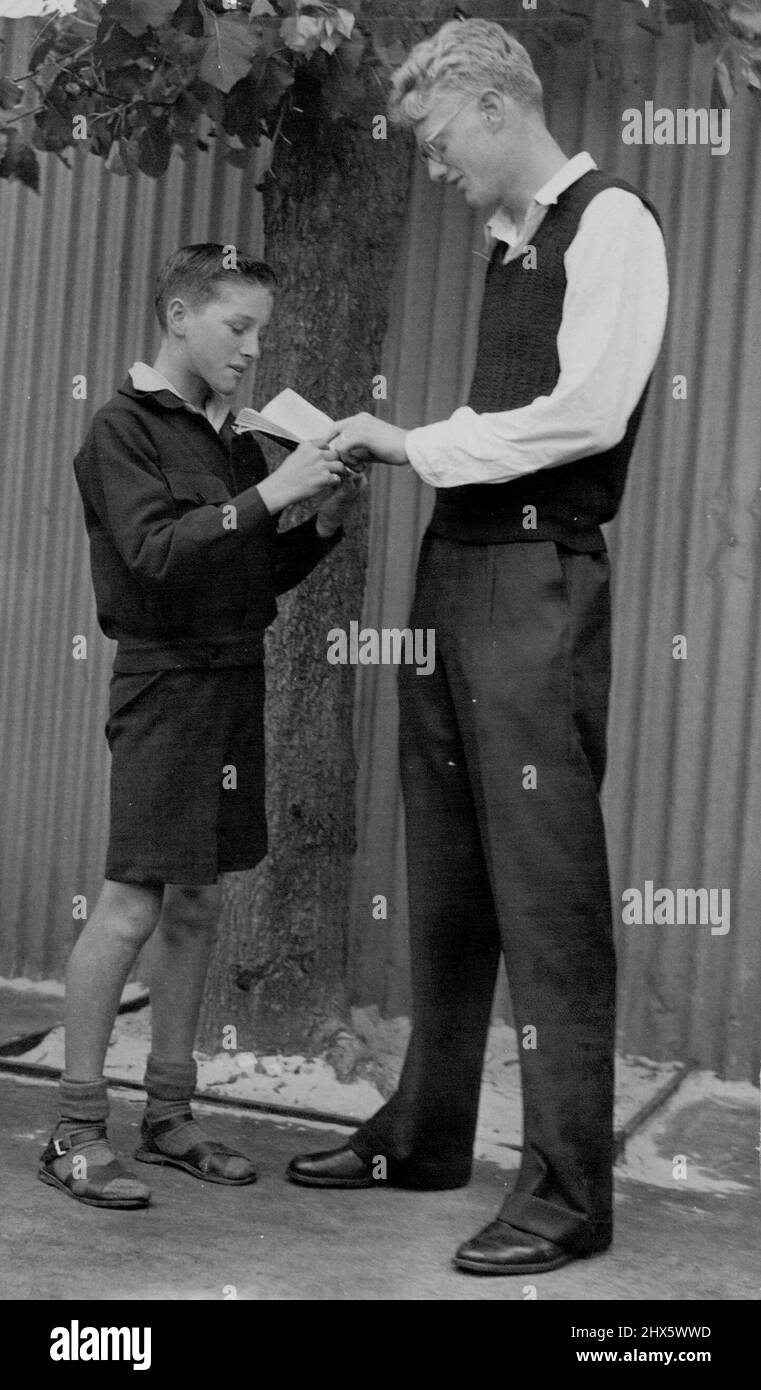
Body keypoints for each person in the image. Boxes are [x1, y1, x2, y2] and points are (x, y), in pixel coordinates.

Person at [287, 19, 669, 1275]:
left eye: (440, 140)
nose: (435, 166)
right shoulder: (512, 245)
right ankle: (426, 1132)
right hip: (456, 572)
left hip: (532, 585)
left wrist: (415, 442)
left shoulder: (609, 222)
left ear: (497, 107)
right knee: (446, 876)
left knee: (544, 890)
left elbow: (585, 413)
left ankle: (567, 1189)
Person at [39, 244, 360, 1208]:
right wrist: (268, 495)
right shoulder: (121, 430)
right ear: (178, 316)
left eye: (261, 330)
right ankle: (74, 1129)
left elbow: (245, 575)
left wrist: (321, 524)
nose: (254, 349)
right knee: (132, 902)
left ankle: (169, 1116)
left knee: (197, 903)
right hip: (164, 685)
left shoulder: (235, 436)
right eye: (238, 327)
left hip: (231, 676)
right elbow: (154, 556)